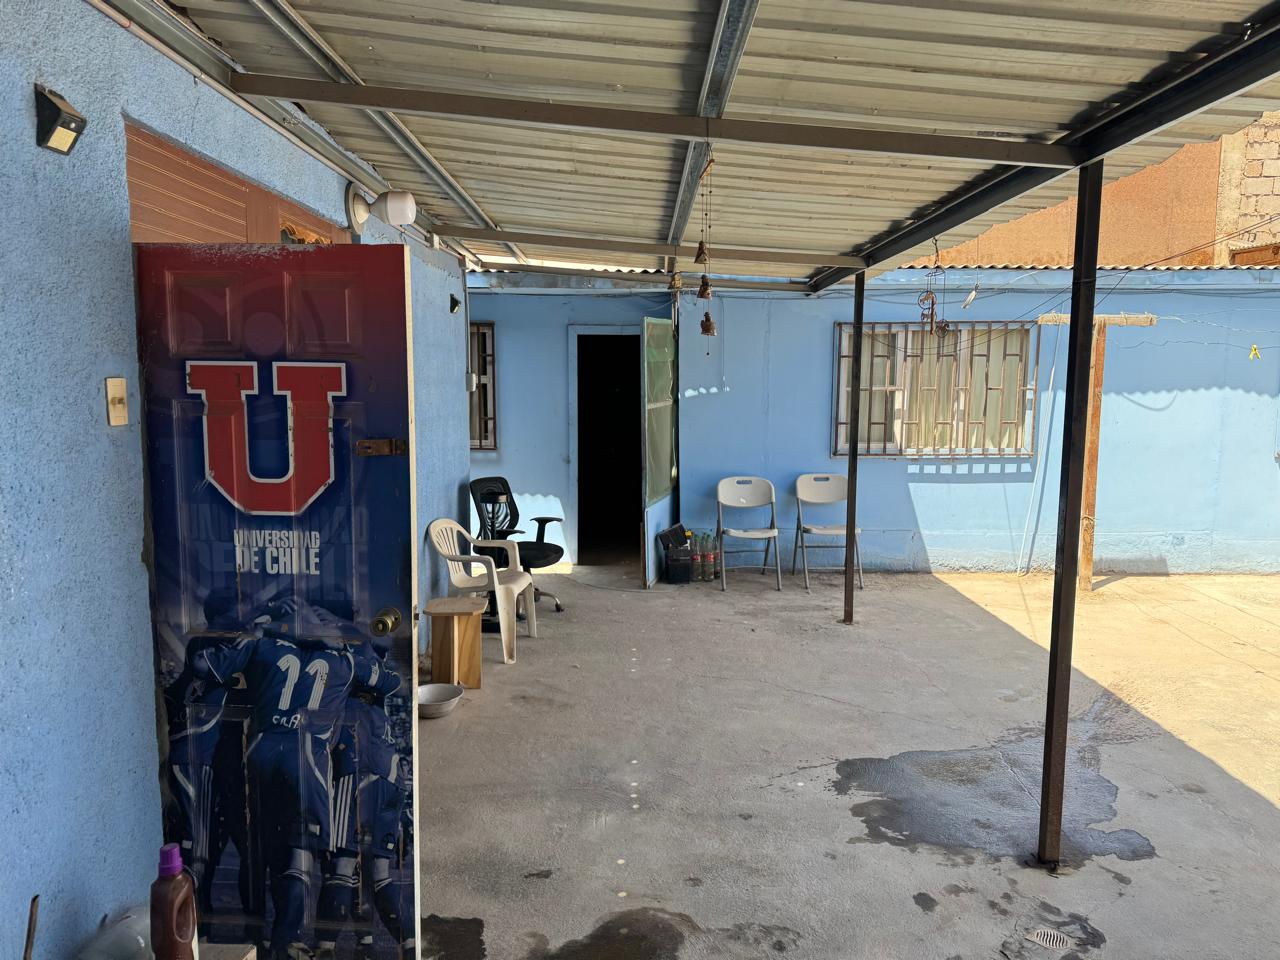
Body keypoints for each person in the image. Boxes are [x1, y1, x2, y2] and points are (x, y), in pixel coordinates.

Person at [193, 598, 400, 960]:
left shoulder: (260, 643)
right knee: (299, 855)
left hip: (258, 753)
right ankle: (285, 941)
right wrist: (343, 638)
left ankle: (257, 938)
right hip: (306, 759)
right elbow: (391, 682)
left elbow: (201, 665)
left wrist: (260, 624)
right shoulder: (345, 662)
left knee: (260, 855)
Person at [316, 639, 412, 959]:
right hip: (391, 778)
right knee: (379, 874)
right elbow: (394, 680)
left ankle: (324, 949)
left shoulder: (344, 671)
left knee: (342, 866)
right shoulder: (383, 679)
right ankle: (406, 945)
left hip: (357, 772)